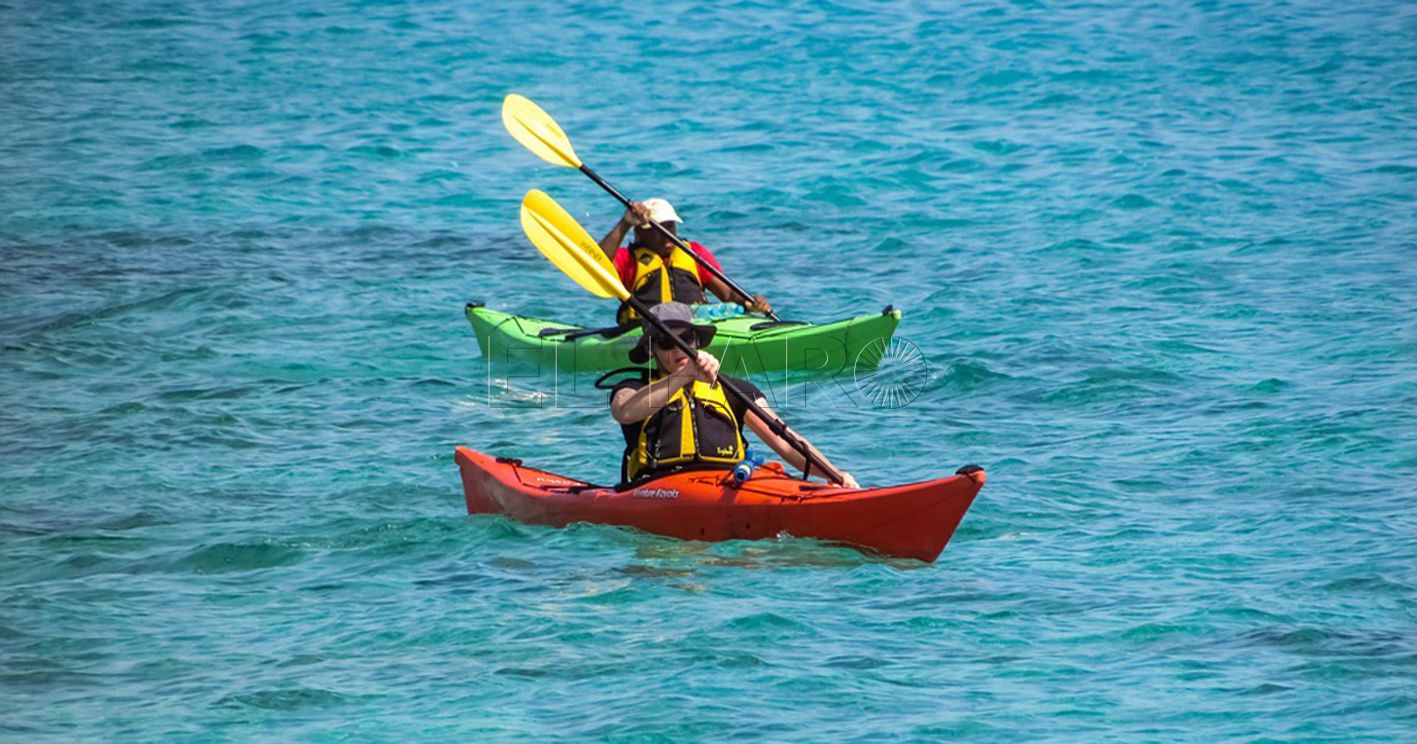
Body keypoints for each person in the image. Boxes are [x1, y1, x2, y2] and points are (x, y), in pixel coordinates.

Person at [608, 302, 858, 488]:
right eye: (666, 342)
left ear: (697, 341)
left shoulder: (734, 390)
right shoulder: (633, 388)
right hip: (661, 487)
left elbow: (785, 440)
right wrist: (684, 375)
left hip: (727, 485)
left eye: (685, 338)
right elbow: (624, 412)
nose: (678, 348)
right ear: (651, 350)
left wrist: (834, 475)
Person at [598, 198, 772, 326]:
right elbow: (597, 264)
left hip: (695, 325)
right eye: (658, 228)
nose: (666, 234)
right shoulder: (627, 259)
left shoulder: (694, 253)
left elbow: (727, 295)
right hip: (646, 330)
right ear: (639, 233)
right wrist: (625, 224)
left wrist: (750, 302)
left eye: (670, 227)